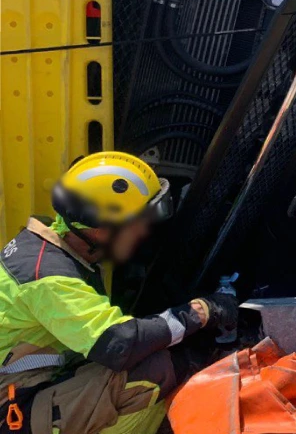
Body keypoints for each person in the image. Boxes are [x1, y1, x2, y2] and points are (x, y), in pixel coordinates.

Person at [0, 152, 238, 434]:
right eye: (140, 222)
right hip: (13, 408)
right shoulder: (48, 276)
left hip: (31, 385)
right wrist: (204, 311)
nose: (144, 232)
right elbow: (119, 344)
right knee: (155, 371)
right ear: (102, 228)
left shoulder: (51, 247)